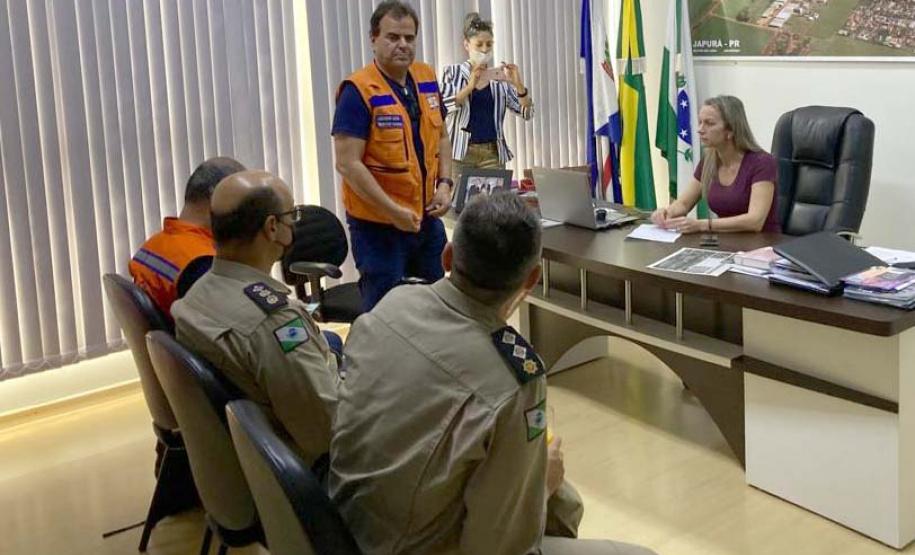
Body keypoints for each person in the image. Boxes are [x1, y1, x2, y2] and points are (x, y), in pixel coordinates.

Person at [330, 193, 657, 555]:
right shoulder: (514, 379)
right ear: (532, 279)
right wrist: (541, 488)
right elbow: (499, 545)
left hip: (344, 527)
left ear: (448, 256)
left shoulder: (394, 303)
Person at [172, 171, 339, 469]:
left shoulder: (195, 293)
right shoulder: (276, 323)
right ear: (272, 228)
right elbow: (328, 432)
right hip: (311, 471)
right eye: (293, 215)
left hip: (248, 463)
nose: (295, 223)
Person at [333, 0, 453, 312]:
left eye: (409, 38)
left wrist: (445, 184)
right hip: (379, 228)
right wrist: (392, 211)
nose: (403, 45)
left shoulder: (425, 76)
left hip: (425, 219)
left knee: (438, 305)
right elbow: (347, 163)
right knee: (385, 313)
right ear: (374, 39)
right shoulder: (358, 90)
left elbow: (440, 135)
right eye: (393, 37)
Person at [129, 157, 245, 317]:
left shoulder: (153, 245)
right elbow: (242, 323)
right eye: (244, 201)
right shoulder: (202, 263)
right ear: (217, 197)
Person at [650, 95, 779, 234]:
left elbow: (755, 221)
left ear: (730, 130)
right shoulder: (709, 160)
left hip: (761, 246)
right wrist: (666, 213)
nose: (700, 129)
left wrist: (702, 225)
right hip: (725, 242)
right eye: (700, 122)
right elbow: (684, 203)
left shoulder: (762, 162)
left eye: (709, 123)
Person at [440, 13, 534, 186]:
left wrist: (518, 84)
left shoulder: (498, 79)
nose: (484, 49)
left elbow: (527, 112)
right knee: (456, 207)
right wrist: (470, 86)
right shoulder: (453, 72)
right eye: (479, 44)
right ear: (467, 45)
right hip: (460, 153)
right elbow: (443, 106)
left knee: (493, 208)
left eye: (489, 44)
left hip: (492, 153)